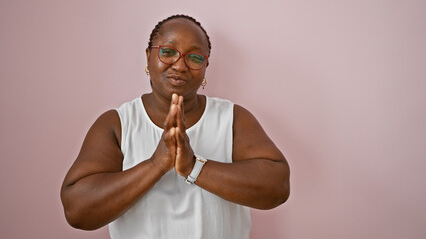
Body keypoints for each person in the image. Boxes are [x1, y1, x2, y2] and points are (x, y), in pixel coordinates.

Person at [60, 14, 290, 239]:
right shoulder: (117, 123)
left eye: (195, 58)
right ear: (149, 56)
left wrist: (193, 167)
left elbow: (277, 186)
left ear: (206, 67)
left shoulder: (232, 118)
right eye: (168, 52)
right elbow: (77, 210)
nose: (180, 66)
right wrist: (156, 164)